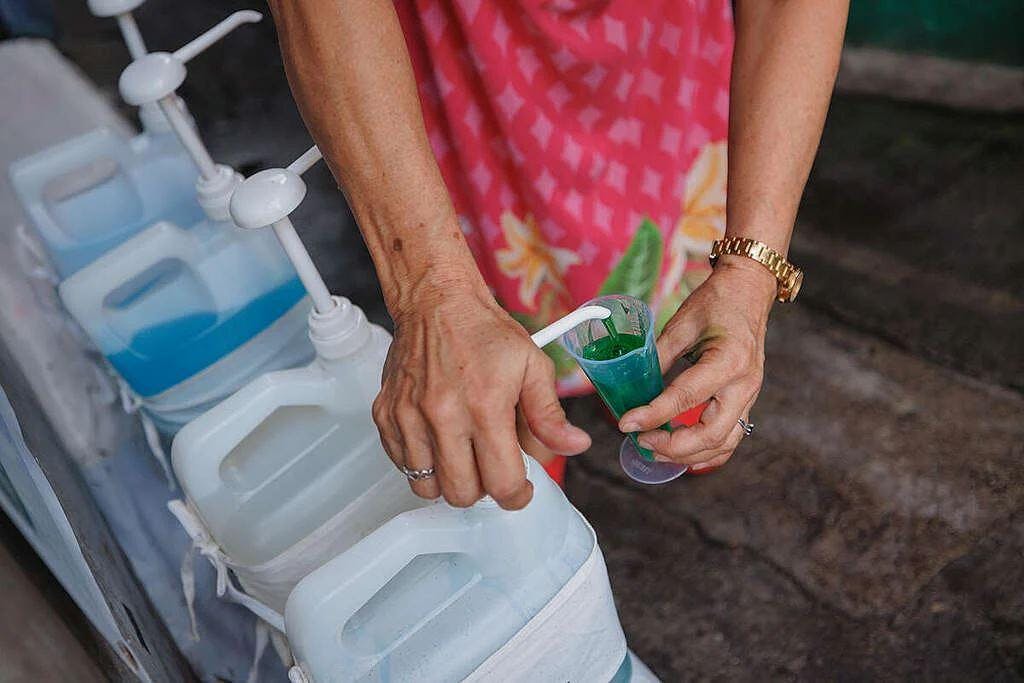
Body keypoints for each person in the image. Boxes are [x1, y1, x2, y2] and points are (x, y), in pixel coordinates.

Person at [267, 0, 849, 510]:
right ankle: (525, 407)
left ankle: (655, 393)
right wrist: (432, 291)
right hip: (476, 58)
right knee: (505, 262)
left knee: (662, 231)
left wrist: (749, 272)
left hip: (659, 52)